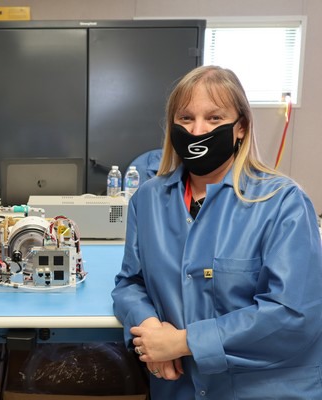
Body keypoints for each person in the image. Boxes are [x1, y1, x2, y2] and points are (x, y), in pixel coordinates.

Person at [111, 65, 322, 399]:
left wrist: (182, 342)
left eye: (214, 118)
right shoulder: (148, 200)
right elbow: (129, 284)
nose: (197, 131)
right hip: (178, 387)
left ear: (241, 127)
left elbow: (293, 315)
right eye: (185, 118)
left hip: (263, 389)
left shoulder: (283, 203)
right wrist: (149, 331)